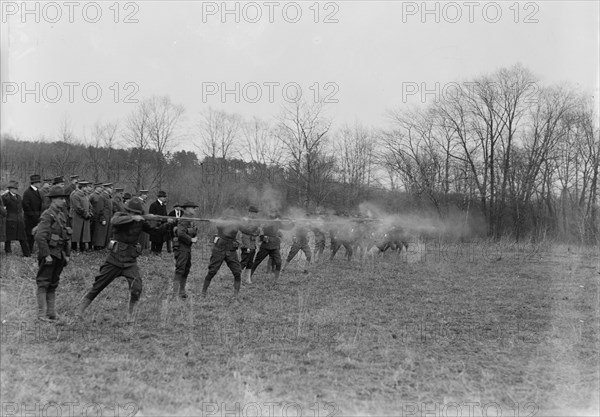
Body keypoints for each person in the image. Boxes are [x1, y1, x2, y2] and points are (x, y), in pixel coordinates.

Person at [76, 197, 168, 323]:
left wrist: (167, 223)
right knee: (98, 286)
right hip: (114, 259)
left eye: (136, 213)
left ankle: (130, 317)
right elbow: (115, 220)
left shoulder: (141, 221)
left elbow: (155, 232)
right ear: (128, 211)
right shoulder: (120, 216)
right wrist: (133, 218)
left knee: (137, 288)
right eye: (132, 212)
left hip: (130, 262)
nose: (134, 215)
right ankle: (79, 311)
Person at [201, 207, 257, 301]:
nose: (232, 216)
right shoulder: (221, 221)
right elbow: (219, 225)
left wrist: (254, 224)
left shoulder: (237, 222)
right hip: (219, 248)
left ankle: (236, 296)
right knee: (212, 271)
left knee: (237, 272)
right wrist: (231, 222)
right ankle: (203, 293)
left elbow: (248, 230)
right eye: (230, 214)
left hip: (231, 250)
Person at [34, 185, 72, 322]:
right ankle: (41, 315)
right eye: (61, 199)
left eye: (64, 199)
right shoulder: (47, 215)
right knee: (43, 283)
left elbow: (66, 237)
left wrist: (67, 255)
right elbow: (40, 236)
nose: (64, 201)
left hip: (59, 254)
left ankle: (51, 313)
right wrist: (46, 255)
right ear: (53, 200)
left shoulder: (61, 215)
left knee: (53, 283)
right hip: (50, 254)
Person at [250, 210, 293, 282]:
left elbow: (287, 228)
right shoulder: (266, 221)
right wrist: (274, 222)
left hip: (275, 246)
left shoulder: (278, 222)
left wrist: (292, 223)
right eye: (272, 213)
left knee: (278, 262)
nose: (274, 214)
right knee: (257, 261)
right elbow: (261, 228)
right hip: (266, 245)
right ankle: (248, 277)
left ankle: (276, 280)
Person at [171, 202, 199, 299]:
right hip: (181, 248)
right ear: (187, 209)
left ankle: (181, 292)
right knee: (180, 269)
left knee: (186, 269)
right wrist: (191, 239)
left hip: (187, 248)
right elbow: (180, 233)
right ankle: (175, 294)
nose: (195, 209)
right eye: (193, 208)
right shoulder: (183, 219)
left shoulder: (190, 219)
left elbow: (193, 231)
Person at [1, 181, 31, 256]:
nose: (15, 190)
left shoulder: (19, 197)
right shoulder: (5, 197)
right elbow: (2, 206)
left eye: (16, 188)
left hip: (19, 220)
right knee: (8, 238)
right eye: (14, 188)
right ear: (10, 189)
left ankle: (27, 253)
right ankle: (8, 252)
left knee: (22, 237)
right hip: (10, 220)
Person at [22, 174, 44, 253]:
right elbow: (26, 206)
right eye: (38, 182)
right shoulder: (27, 193)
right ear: (34, 183)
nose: (40, 184)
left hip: (37, 216)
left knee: (35, 234)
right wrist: (33, 216)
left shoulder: (38, 192)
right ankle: (28, 251)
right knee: (29, 235)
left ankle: (31, 250)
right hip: (30, 218)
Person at [70, 181, 92, 252]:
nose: (86, 188)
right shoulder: (75, 195)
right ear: (82, 187)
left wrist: (90, 212)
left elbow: (89, 205)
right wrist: (86, 214)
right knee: (77, 233)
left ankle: (82, 248)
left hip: (85, 217)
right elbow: (77, 207)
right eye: (85, 186)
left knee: (84, 233)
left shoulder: (85, 195)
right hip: (78, 217)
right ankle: (74, 248)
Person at [240, 205, 260, 283]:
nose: (254, 215)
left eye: (255, 213)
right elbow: (243, 230)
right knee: (244, 261)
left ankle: (247, 279)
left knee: (250, 262)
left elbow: (258, 232)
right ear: (249, 212)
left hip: (253, 242)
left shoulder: (256, 221)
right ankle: (238, 277)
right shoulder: (244, 220)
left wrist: (256, 230)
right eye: (253, 213)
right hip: (246, 242)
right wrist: (254, 229)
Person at [92, 183, 113, 250]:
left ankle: (103, 246)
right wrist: (102, 218)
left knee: (105, 233)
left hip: (108, 217)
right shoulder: (102, 197)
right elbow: (100, 209)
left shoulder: (108, 196)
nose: (112, 190)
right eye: (110, 188)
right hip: (103, 218)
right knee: (100, 233)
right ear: (106, 188)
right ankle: (98, 246)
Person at [149, 191, 168, 255]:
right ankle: (153, 251)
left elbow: (165, 215)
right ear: (159, 197)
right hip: (156, 225)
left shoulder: (164, 205)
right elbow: (151, 216)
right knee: (155, 239)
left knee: (161, 239)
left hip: (163, 225)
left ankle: (159, 251)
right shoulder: (154, 205)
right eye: (164, 197)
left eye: (165, 197)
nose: (165, 198)